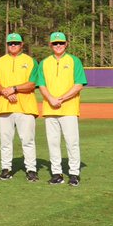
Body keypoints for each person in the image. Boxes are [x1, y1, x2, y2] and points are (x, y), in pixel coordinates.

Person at [36, 32, 87, 187]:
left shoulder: (74, 61)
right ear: (50, 45)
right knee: (53, 142)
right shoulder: (44, 63)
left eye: (61, 43)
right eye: (55, 43)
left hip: (69, 108)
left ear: (66, 44)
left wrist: (62, 98)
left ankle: (74, 173)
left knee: (72, 142)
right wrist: (51, 99)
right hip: (50, 108)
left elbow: (79, 84)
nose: (58, 46)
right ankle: (57, 173)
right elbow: (41, 85)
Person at [0, 33, 40, 182]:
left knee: (28, 140)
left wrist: (14, 89)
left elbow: (32, 84)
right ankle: (6, 169)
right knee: (5, 141)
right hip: (5, 107)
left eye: (16, 43)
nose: (13, 45)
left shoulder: (30, 61)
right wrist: (5, 91)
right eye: (10, 43)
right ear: (7, 45)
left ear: (22, 44)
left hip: (26, 107)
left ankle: (31, 169)